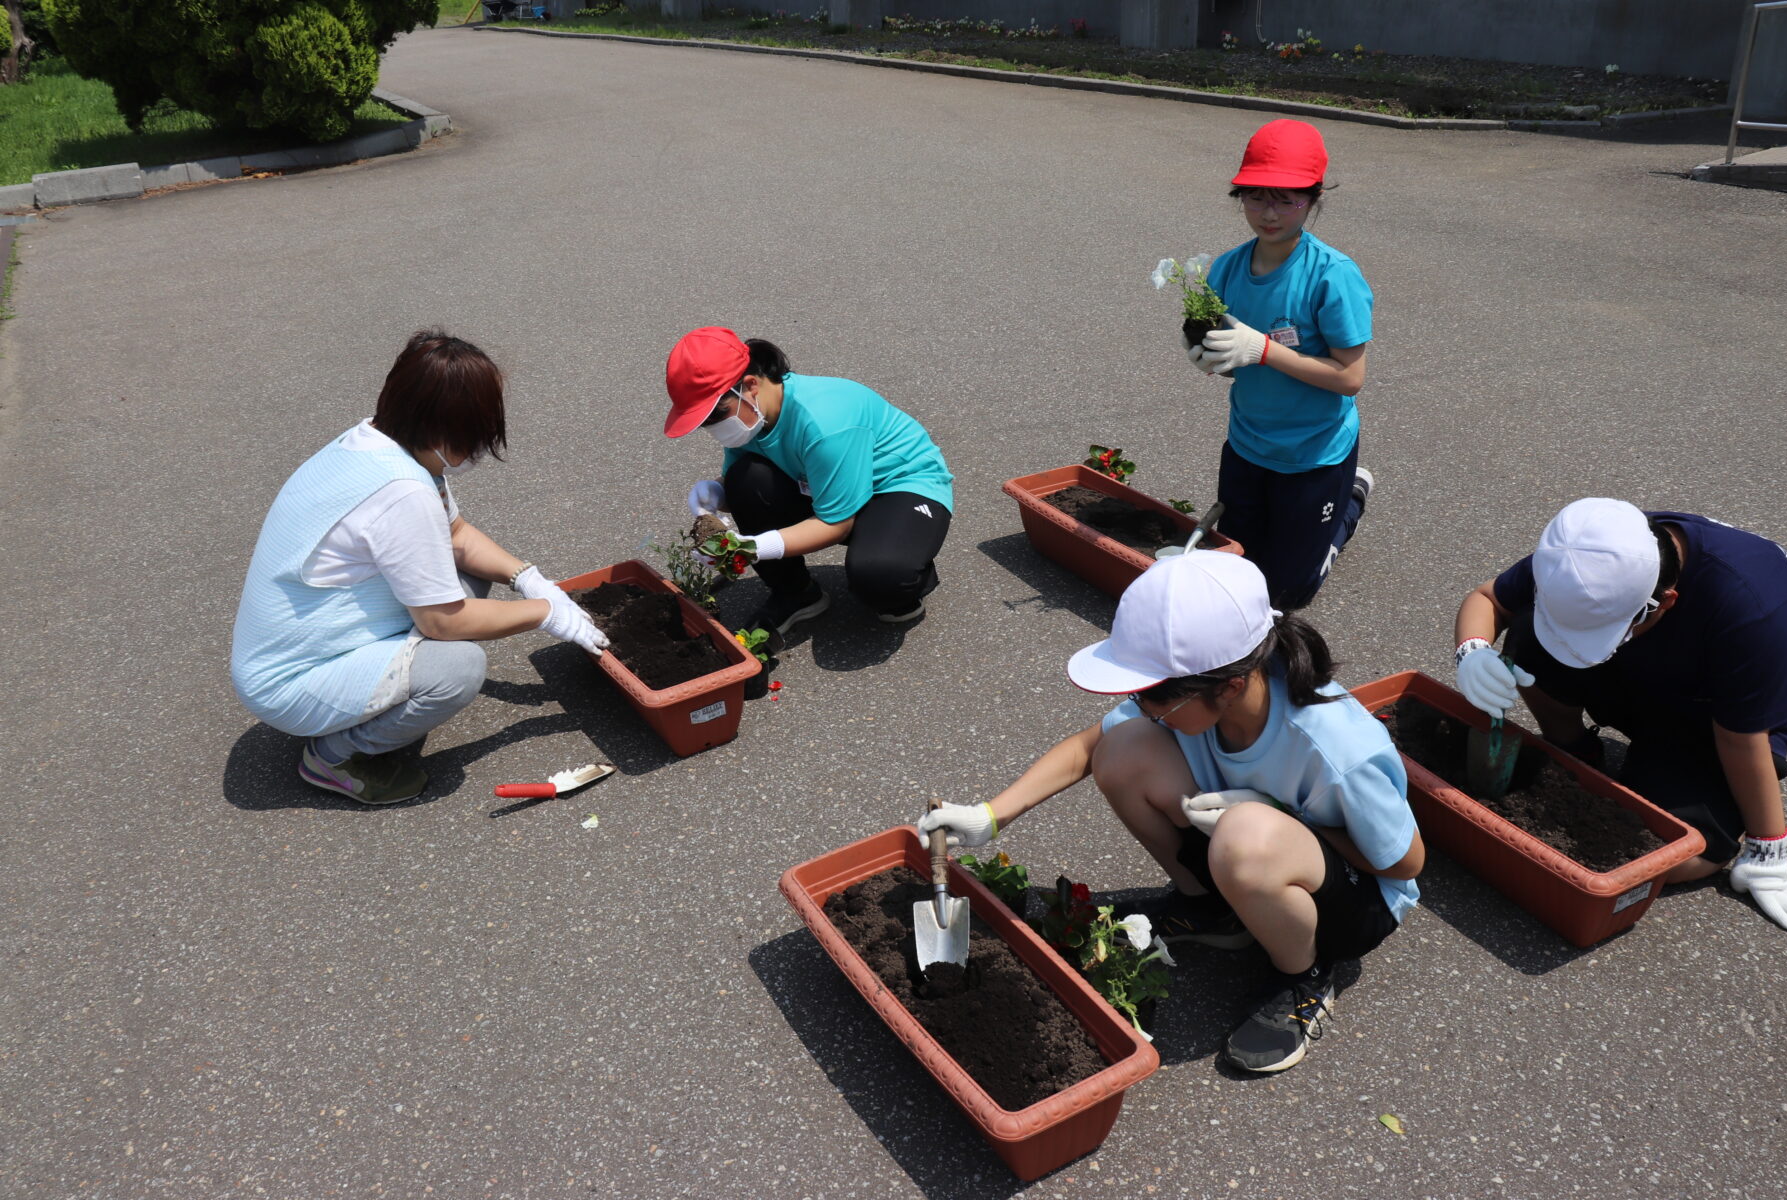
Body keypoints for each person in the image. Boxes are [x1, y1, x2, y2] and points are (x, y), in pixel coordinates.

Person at [919, 552, 1423, 1073]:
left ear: (1228, 685)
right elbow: (1087, 749)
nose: (1144, 704)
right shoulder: (1213, 681)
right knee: (1121, 750)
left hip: (1351, 907)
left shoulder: (1337, 750)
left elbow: (1404, 865)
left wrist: (1277, 815)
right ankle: (1212, 908)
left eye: (1155, 696)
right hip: (1252, 852)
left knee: (1246, 836)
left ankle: (1302, 974)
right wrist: (988, 815)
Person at [231, 331, 607, 806]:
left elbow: (456, 537)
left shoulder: (374, 441)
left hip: (294, 644)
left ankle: (371, 701)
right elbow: (443, 621)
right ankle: (335, 757)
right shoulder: (402, 492)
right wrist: (542, 614)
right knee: (457, 667)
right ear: (443, 428)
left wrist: (528, 578)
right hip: (288, 681)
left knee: (469, 579)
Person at [1453, 497, 1787, 930]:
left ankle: (1681, 794)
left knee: (1668, 856)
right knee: (1527, 636)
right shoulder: (1589, 554)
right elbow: (1490, 598)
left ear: (1664, 603)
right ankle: (1575, 753)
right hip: (1644, 671)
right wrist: (1472, 651)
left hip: (1712, 719)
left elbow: (1741, 739)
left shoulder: (1752, 612)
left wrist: (1768, 849)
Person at [1183, 119, 1375, 611]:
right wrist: (1212, 357)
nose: (1269, 213)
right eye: (1256, 197)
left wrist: (1264, 351)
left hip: (1315, 455)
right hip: (1248, 445)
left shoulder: (1332, 276)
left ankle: (1349, 503)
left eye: (1287, 199)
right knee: (1238, 572)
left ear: (1312, 199)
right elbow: (1230, 358)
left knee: (1287, 594)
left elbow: (1350, 378)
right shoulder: (1227, 268)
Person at [663, 327, 954, 643]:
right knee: (744, 478)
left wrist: (753, 547)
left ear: (749, 386)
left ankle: (904, 565)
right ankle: (797, 594)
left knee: (882, 576)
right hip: (828, 485)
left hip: (899, 488)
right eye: (705, 422)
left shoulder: (824, 423)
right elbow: (747, 487)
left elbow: (836, 524)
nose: (714, 428)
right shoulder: (754, 415)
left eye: (716, 415)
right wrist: (715, 495)